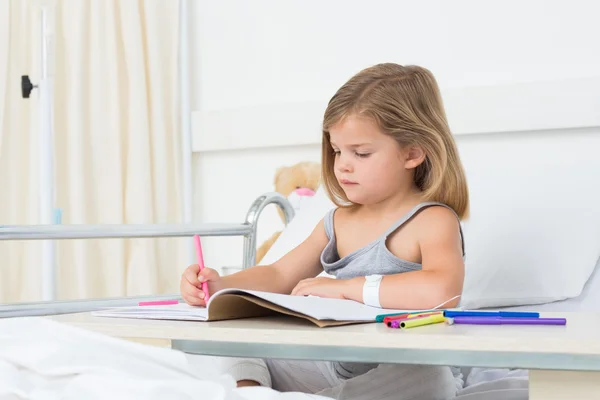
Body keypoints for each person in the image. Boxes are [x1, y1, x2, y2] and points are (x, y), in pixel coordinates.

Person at [180, 63, 469, 400]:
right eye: (337, 151)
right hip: (329, 364)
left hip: (392, 366)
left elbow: (441, 290)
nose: (343, 164)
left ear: (413, 152)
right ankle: (253, 392)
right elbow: (278, 275)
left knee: (431, 380)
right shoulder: (338, 222)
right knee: (234, 337)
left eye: (360, 153)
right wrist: (219, 287)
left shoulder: (431, 220)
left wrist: (347, 289)